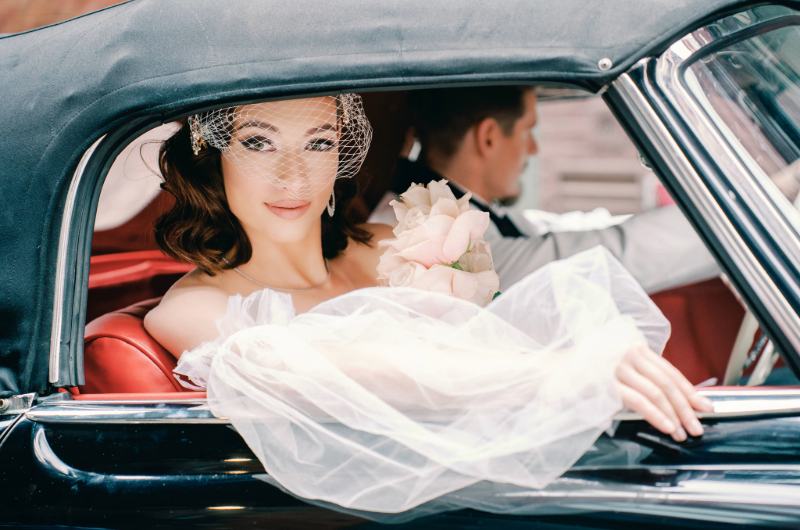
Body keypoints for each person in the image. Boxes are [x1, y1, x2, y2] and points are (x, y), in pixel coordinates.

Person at [143, 94, 712, 515]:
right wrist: (556, 368)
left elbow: (496, 333)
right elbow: (350, 372)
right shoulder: (194, 309)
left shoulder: (405, 243)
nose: (293, 176)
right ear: (211, 154)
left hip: (525, 477)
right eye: (258, 143)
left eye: (318, 142)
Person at [369, 87, 720, 294]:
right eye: (527, 131)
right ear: (489, 137)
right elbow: (610, 256)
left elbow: (574, 228)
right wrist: (738, 226)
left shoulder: (465, 213)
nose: (533, 150)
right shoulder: (426, 234)